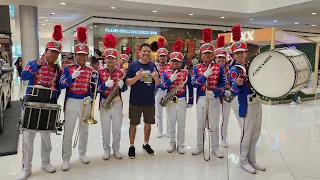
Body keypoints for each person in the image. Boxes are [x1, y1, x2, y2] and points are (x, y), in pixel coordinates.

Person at [17, 24, 63, 180]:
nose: (55, 55)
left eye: (57, 53)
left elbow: (59, 86)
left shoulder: (58, 69)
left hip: (49, 103)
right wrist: (37, 66)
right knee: (28, 138)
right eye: (52, 52)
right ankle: (26, 168)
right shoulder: (33, 63)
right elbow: (23, 76)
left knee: (46, 136)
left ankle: (46, 162)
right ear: (46, 51)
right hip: (32, 102)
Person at [229, 24, 266, 174]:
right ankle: (244, 161)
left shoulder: (251, 65)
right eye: (237, 53)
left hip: (257, 102)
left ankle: (252, 159)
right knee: (246, 134)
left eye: (242, 52)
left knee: (256, 133)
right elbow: (233, 90)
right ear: (233, 55)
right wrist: (237, 85)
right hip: (246, 104)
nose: (240, 55)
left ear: (246, 53)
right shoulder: (234, 69)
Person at [59, 26, 96, 171]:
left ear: (87, 56)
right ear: (75, 55)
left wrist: (91, 99)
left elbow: (93, 88)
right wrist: (70, 78)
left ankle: (82, 153)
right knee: (68, 131)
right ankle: (66, 158)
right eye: (79, 54)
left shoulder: (90, 71)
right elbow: (62, 84)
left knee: (84, 129)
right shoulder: (68, 68)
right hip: (72, 101)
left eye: (84, 55)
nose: (81, 57)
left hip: (85, 102)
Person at [191, 28, 225, 158]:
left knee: (214, 123)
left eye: (209, 54)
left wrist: (215, 92)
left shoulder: (219, 67)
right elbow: (194, 84)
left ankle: (215, 147)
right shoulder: (196, 68)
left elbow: (223, 83)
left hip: (214, 99)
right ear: (201, 55)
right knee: (200, 123)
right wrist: (203, 76)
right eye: (204, 54)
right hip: (201, 98)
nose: (207, 56)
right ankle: (199, 146)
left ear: (213, 55)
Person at [125, 43, 161, 159]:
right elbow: (128, 82)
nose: (146, 53)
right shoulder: (133, 66)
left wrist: (155, 77)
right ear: (139, 52)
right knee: (133, 124)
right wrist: (137, 77)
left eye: (148, 51)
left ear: (150, 53)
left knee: (148, 123)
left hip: (149, 100)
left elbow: (159, 82)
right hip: (135, 100)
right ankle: (131, 146)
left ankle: (146, 144)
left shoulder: (153, 65)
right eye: (144, 51)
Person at [98, 34, 127, 160]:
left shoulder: (121, 72)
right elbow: (96, 89)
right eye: (108, 58)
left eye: (113, 58)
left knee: (116, 128)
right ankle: (106, 149)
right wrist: (104, 86)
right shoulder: (99, 73)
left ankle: (116, 148)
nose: (110, 60)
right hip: (104, 101)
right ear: (105, 59)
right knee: (105, 128)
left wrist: (122, 86)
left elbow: (125, 88)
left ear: (116, 60)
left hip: (117, 102)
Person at [162, 39, 193, 154]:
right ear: (170, 62)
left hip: (181, 100)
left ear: (181, 63)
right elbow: (164, 87)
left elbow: (190, 87)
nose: (175, 63)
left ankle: (181, 144)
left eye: (177, 61)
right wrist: (170, 80)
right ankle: (172, 143)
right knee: (171, 123)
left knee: (181, 123)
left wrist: (190, 101)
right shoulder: (166, 73)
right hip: (170, 101)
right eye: (173, 61)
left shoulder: (186, 73)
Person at [215, 36, 240, 148]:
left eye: (222, 57)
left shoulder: (230, 66)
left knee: (237, 116)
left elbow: (235, 60)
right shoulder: (213, 69)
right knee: (224, 118)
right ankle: (223, 139)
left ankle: (243, 137)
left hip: (233, 94)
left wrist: (232, 50)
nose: (220, 59)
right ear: (215, 59)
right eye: (218, 58)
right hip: (220, 96)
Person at [155, 37, 171, 138]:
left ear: (167, 56)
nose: (162, 57)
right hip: (158, 91)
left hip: (168, 91)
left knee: (169, 112)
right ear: (158, 56)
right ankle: (159, 130)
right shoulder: (154, 66)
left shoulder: (171, 66)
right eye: (160, 56)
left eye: (164, 56)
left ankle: (169, 131)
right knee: (159, 112)